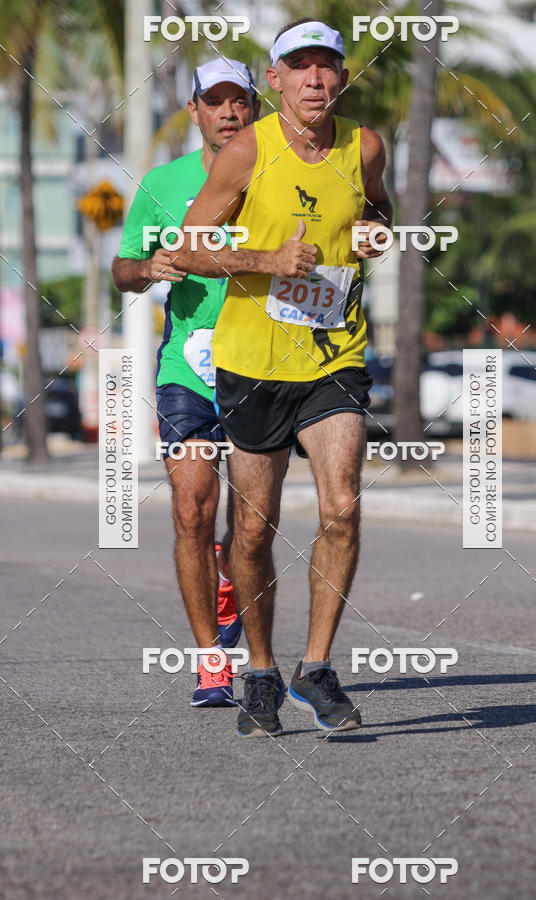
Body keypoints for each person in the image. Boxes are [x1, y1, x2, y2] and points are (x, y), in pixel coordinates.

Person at [172, 19, 392, 737]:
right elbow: (192, 246)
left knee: (343, 507)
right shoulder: (246, 150)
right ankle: (261, 667)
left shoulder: (365, 146)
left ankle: (318, 667)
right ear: (276, 81)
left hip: (334, 354)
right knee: (254, 529)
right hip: (252, 361)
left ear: (342, 77)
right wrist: (267, 261)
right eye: (299, 67)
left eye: (327, 66)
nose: (315, 80)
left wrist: (377, 229)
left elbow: (377, 207)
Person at [111, 59, 260, 708]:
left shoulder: (277, 176)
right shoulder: (164, 183)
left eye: (239, 101)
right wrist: (148, 267)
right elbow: (120, 268)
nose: (228, 112)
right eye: (215, 101)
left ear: (255, 108)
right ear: (195, 111)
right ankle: (210, 662)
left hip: (261, 363)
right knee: (190, 507)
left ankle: (231, 579)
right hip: (187, 367)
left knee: (251, 526)